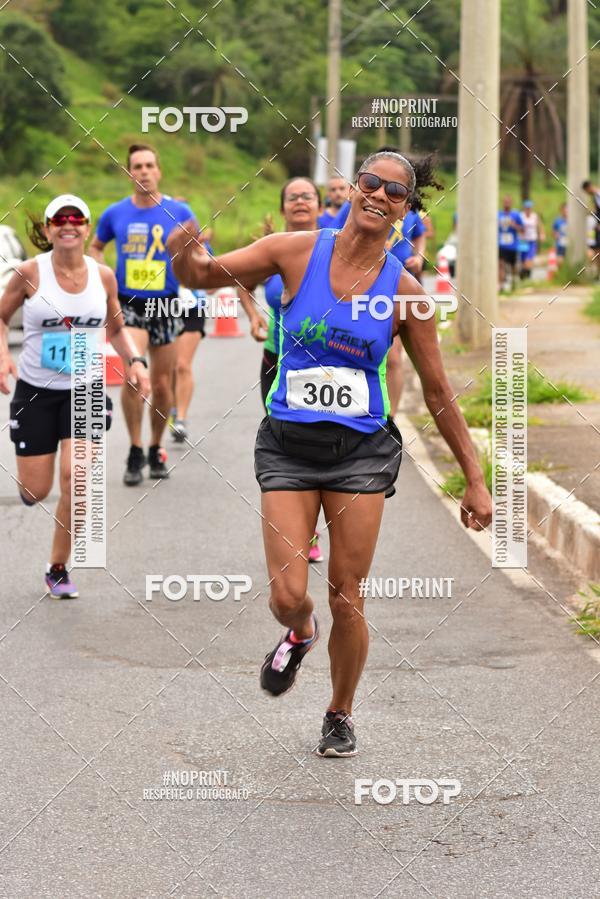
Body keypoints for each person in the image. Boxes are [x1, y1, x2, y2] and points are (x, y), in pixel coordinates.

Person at [167, 151, 492, 757]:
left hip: (361, 453)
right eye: (370, 182)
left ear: (405, 209)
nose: (378, 195)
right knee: (289, 596)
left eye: (395, 192)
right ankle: (299, 632)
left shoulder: (406, 291)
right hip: (289, 444)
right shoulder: (294, 251)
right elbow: (203, 276)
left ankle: (339, 712)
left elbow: (440, 392)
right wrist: (183, 252)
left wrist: (474, 479)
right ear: (349, 189)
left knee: (349, 594)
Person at [0, 195, 150, 598]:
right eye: (59, 219)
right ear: (48, 229)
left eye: (76, 218)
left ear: (86, 227)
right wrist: (2, 357)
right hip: (35, 391)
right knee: (35, 490)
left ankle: (58, 565)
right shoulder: (31, 273)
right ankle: (33, 489)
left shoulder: (103, 276)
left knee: (78, 478)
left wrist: (135, 362)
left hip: (85, 387)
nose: (68, 224)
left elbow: (116, 328)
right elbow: (0, 317)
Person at [88, 143, 196, 484]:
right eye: (137, 166)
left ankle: (154, 447)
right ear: (128, 172)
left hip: (165, 305)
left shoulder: (180, 211)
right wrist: (103, 275)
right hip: (129, 305)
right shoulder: (114, 213)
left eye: (150, 165)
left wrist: (192, 265)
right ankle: (134, 449)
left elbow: (200, 251)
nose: (144, 171)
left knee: (163, 386)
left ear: (159, 171)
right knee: (135, 376)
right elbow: (95, 246)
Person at [242, 177, 325, 563]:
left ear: (320, 206)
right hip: (277, 362)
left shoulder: (336, 249)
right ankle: (299, 532)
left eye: (307, 196)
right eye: (292, 197)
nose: (300, 202)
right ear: (283, 208)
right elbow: (239, 281)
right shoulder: (272, 252)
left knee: (322, 445)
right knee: (288, 447)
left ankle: (312, 531)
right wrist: (254, 317)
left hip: (325, 365)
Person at [171, 224, 214, 443]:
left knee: (182, 365)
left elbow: (214, 285)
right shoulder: (162, 247)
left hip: (193, 311)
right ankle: (170, 406)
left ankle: (181, 418)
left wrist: (201, 255)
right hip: (165, 310)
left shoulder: (201, 247)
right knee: (168, 369)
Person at [498, 196, 524, 289]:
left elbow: (522, 229)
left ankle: (514, 282)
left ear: (511, 203)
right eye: (505, 202)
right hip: (501, 244)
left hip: (512, 245)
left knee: (513, 266)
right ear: (502, 203)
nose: (507, 204)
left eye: (508, 202)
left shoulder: (516, 215)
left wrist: (514, 226)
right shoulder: (498, 215)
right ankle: (501, 285)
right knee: (500, 264)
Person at [519, 199, 544, 279]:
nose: (528, 210)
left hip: (532, 241)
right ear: (524, 208)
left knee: (529, 259)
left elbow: (540, 226)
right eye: (526, 208)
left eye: (529, 208)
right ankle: (524, 277)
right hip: (523, 241)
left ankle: (526, 276)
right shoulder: (521, 216)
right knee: (523, 260)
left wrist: (542, 234)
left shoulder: (534, 216)